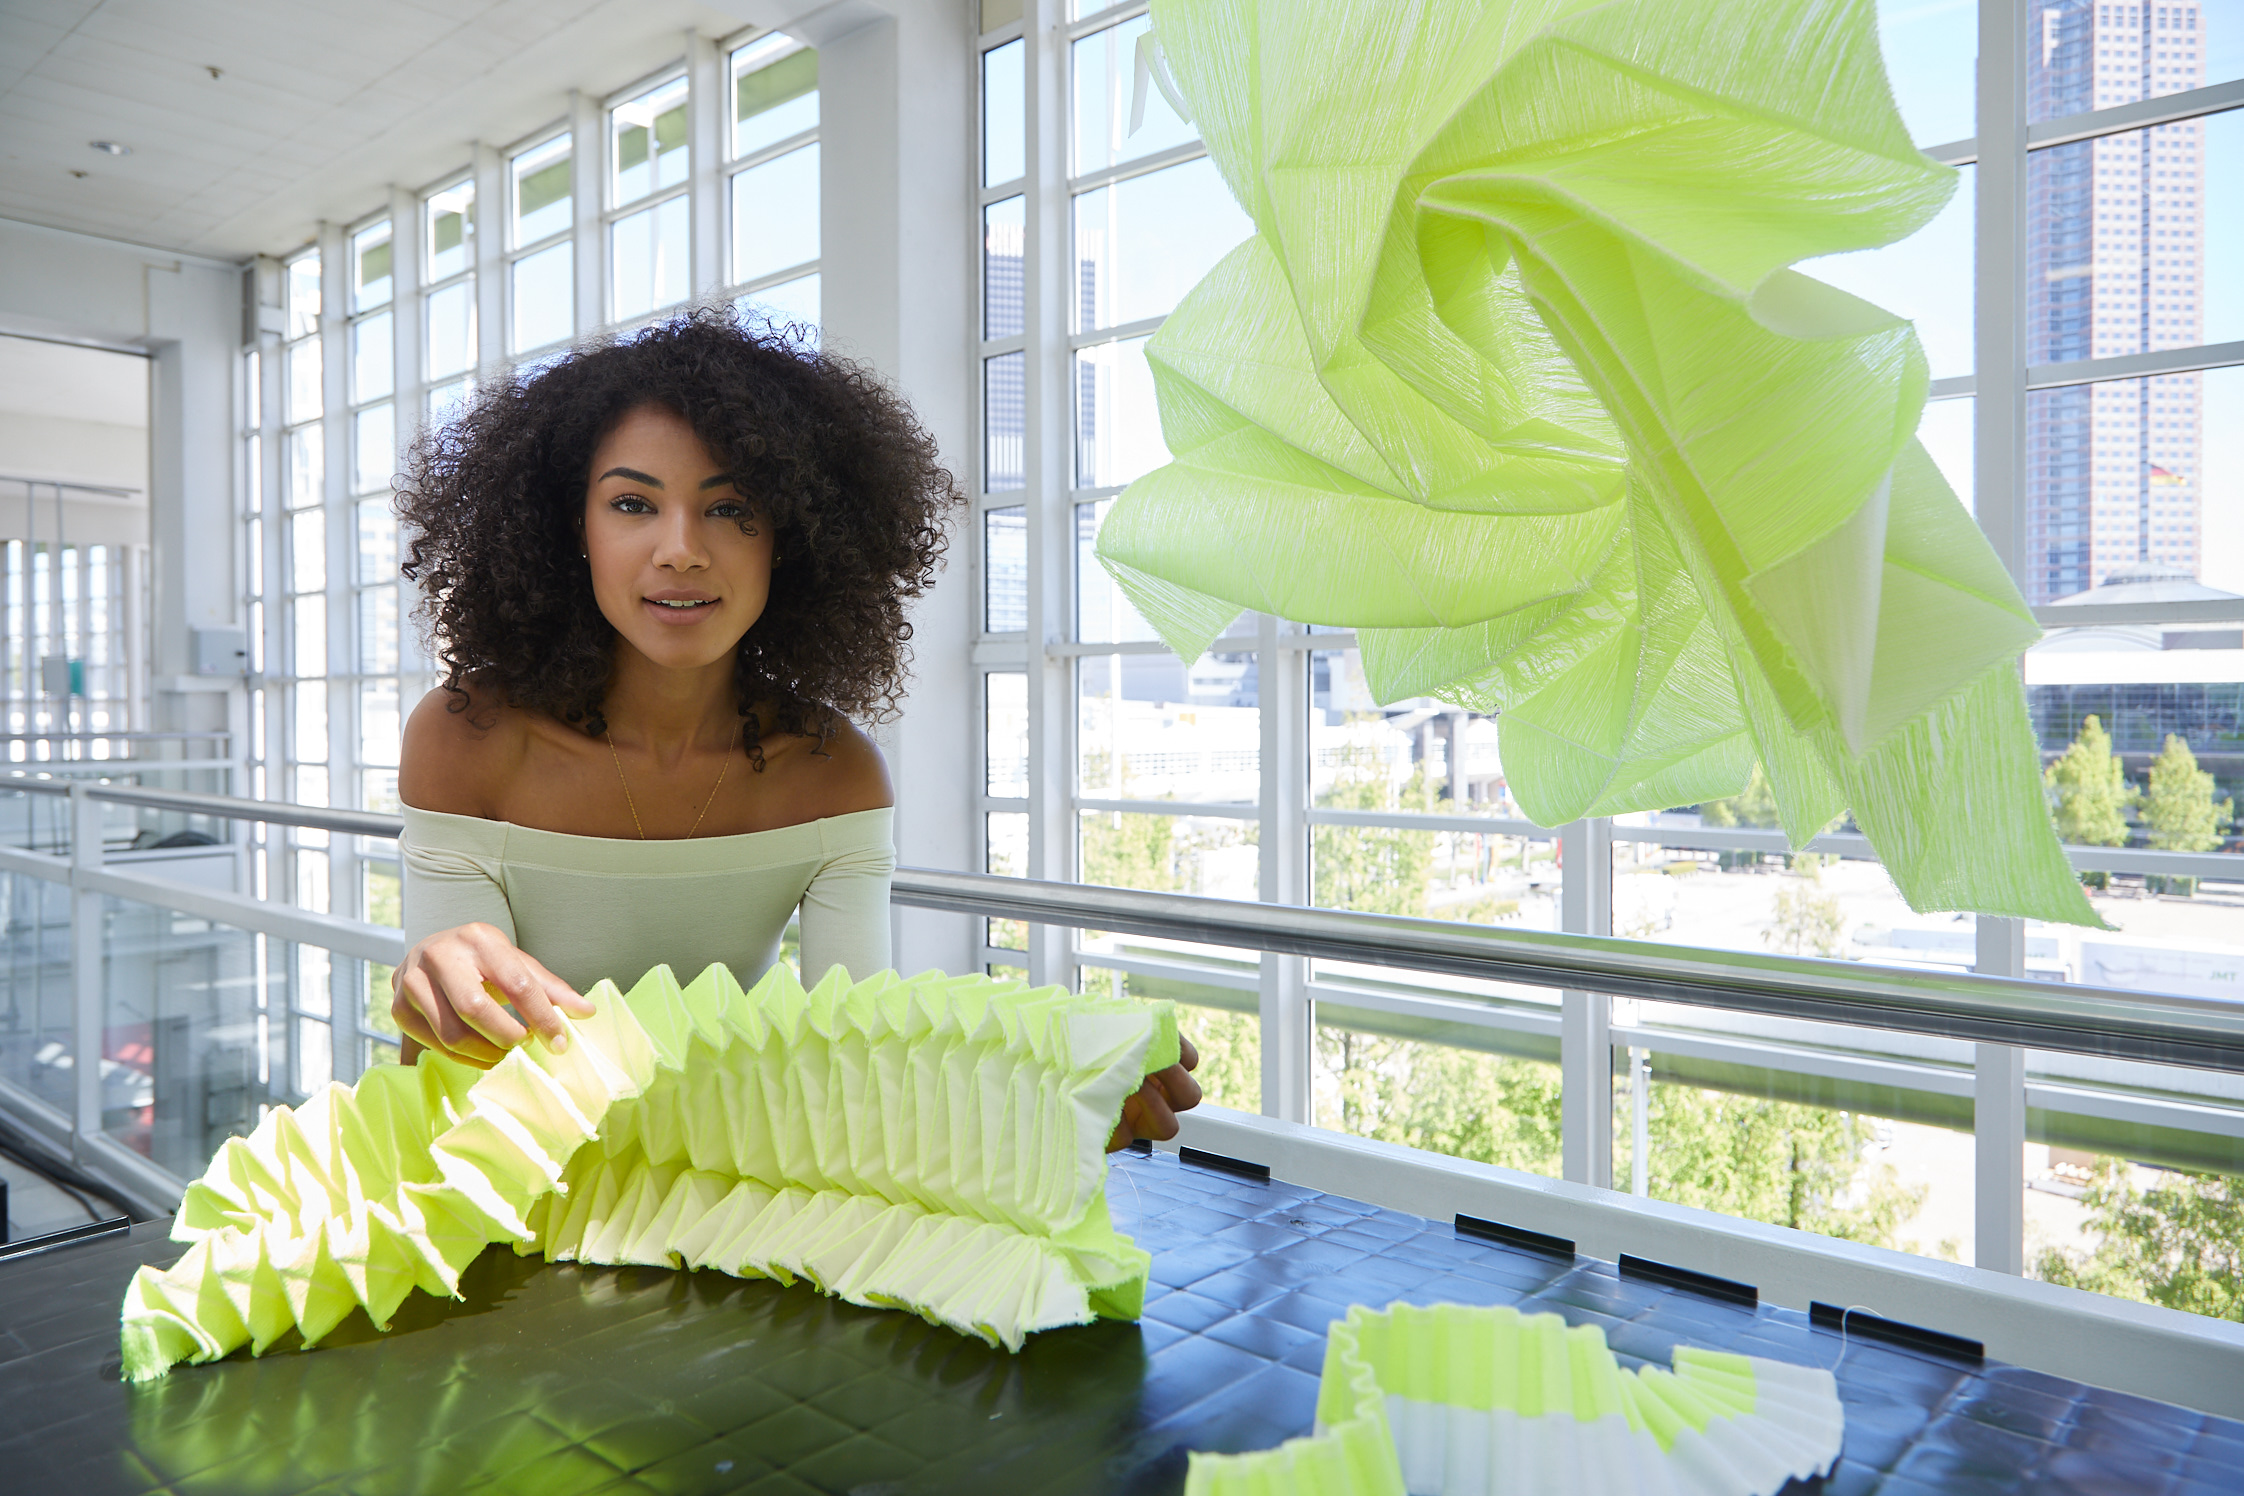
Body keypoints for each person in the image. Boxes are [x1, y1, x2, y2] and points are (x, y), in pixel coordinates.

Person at [388, 306, 1200, 1148]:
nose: (681, 550)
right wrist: (430, 984)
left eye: (731, 508)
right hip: (508, 1191)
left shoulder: (832, 774)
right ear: (573, 532)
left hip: (726, 1193)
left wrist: (1052, 1088)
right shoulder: (469, 741)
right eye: (633, 504)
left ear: (793, 537)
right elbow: (443, 1086)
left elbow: (860, 1064)